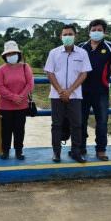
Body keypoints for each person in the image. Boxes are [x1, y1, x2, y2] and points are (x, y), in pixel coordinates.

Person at [44, 24, 92, 163]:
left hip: (75, 95)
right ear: (60, 37)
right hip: (56, 95)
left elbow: (84, 74)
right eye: (64, 34)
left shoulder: (82, 53)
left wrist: (70, 91)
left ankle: (76, 152)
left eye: (70, 34)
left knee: (77, 124)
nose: (67, 37)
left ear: (75, 36)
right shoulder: (53, 53)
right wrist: (60, 91)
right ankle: (56, 152)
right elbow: (49, 72)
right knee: (56, 124)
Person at [79, 19, 111, 161]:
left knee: (102, 121)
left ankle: (101, 150)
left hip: (102, 91)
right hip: (81, 91)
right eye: (93, 29)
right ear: (89, 31)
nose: (96, 32)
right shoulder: (81, 47)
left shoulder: (110, 47)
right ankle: (81, 148)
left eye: (99, 30)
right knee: (81, 121)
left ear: (104, 32)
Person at [0, 40, 34, 160]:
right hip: (5, 106)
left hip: (22, 106)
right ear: (5, 56)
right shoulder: (1, 70)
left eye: (14, 53)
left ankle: (19, 151)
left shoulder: (25, 67)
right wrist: (14, 97)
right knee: (6, 130)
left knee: (19, 130)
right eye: (9, 54)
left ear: (18, 54)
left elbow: (30, 83)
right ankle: (5, 151)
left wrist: (21, 96)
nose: (11, 56)